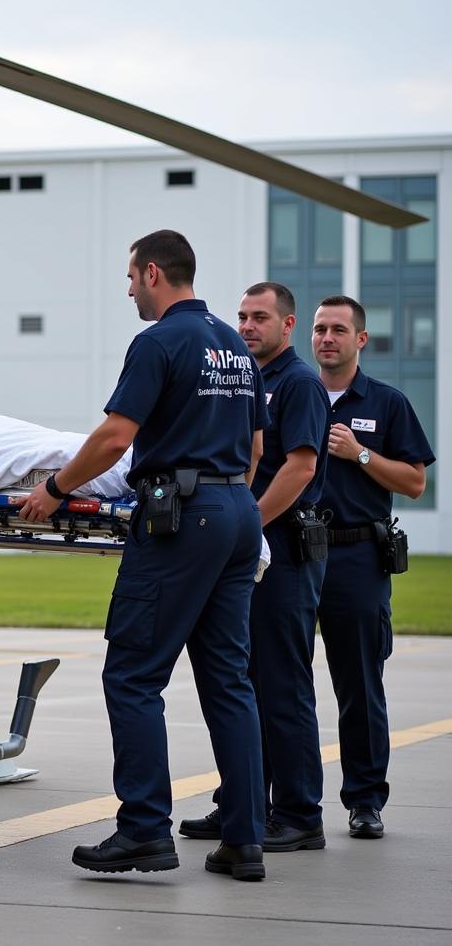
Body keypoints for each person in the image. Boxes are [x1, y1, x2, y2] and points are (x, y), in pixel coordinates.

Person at [19, 230, 268, 881]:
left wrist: (54, 488)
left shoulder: (158, 342)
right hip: (237, 514)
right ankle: (245, 839)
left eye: (131, 277)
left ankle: (143, 831)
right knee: (230, 682)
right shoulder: (234, 346)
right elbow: (256, 450)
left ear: (153, 272)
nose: (128, 288)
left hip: (183, 518)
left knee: (132, 674)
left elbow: (114, 437)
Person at [180, 282, 330, 851]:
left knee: (283, 688)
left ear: (288, 326)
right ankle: (242, 805)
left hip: (284, 554)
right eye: (241, 316)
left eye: (259, 318)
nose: (246, 326)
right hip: (252, 554)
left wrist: (250, 526)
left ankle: (298, 815)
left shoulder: (298, 384)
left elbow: (300, 468)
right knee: (242, 684)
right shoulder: (247, 378)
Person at [311, 295, 433, 840]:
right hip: (293, 552)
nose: (326, 338)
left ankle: (365, 801)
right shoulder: (294, 395)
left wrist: (359, 453)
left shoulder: (386, 402)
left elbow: (414, 481)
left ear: (361, 338)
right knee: (274, 679)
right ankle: (275, 798)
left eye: (339, 329)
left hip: (356, 555)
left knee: (359, 683)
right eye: (318, 329)